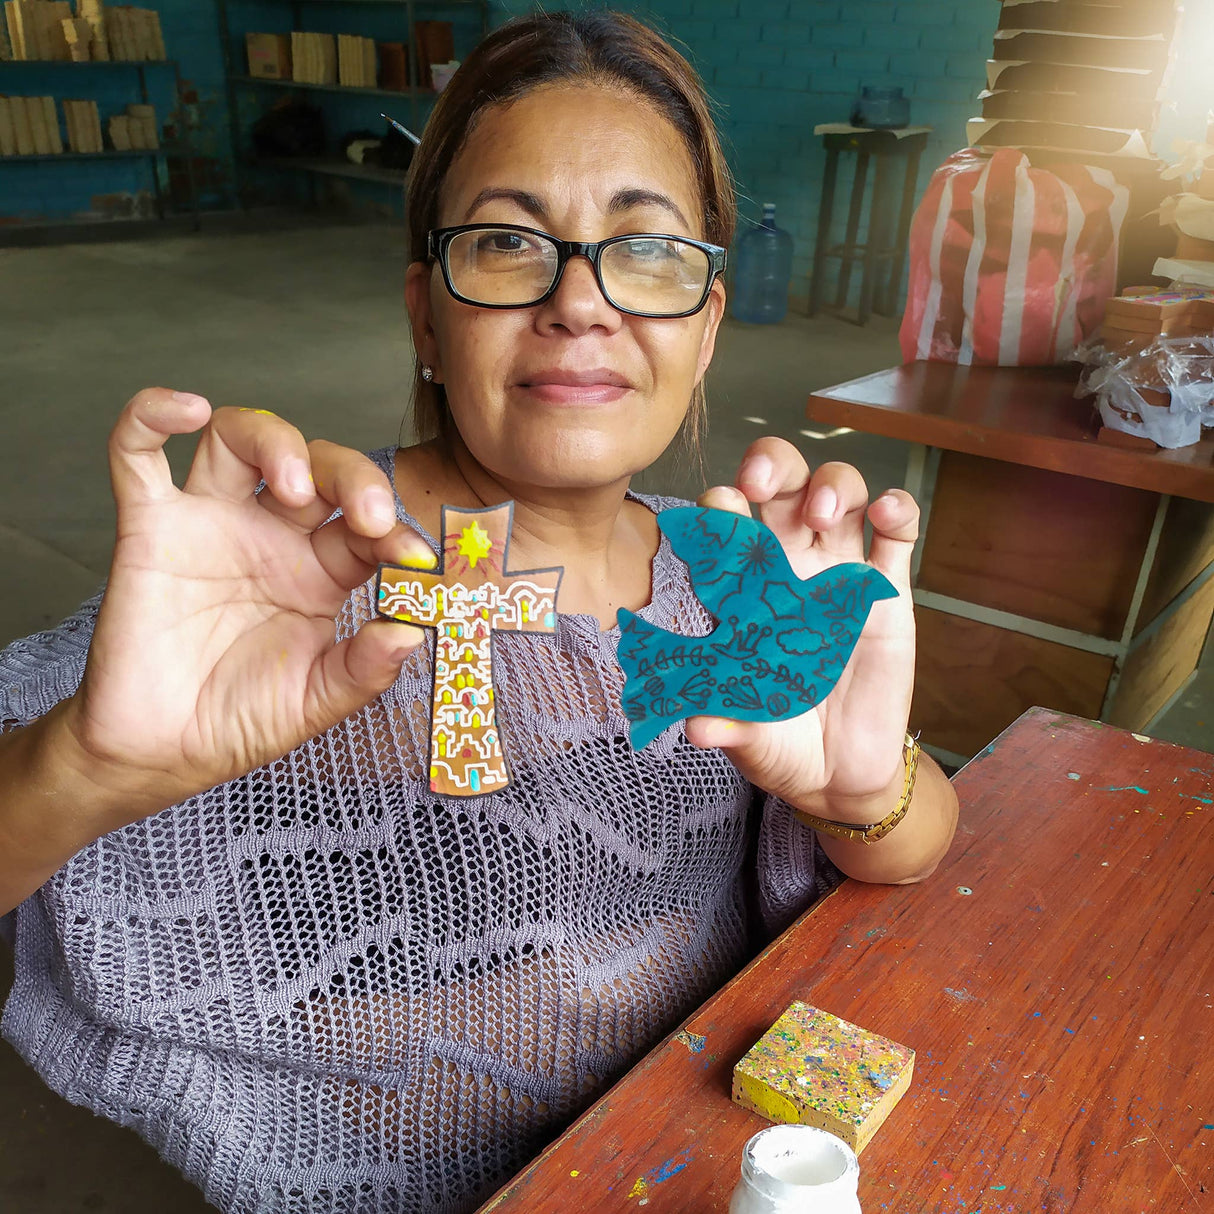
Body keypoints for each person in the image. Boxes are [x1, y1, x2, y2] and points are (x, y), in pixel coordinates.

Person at [0, 12, 958, 1213]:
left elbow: (917, 851)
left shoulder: (733, 581)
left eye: (646, 251)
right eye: (508, 244)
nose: (579, 303)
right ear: (426, 313)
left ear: (705, 326)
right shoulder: (298, 574)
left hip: (681, 1153)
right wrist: (90, 764)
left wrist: (859, 795)